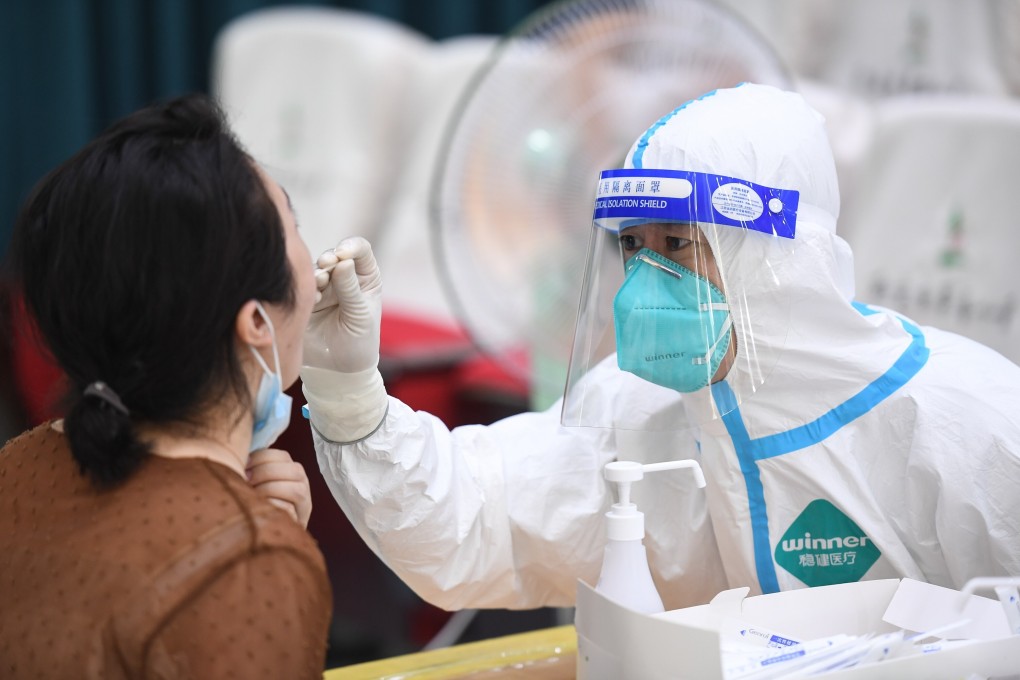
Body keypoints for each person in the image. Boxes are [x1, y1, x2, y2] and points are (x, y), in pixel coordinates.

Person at [301, 83, 1020, 612]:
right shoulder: (635, 410)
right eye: (633, 249)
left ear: (775, 253)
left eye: (677, 244)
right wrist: (351, 394)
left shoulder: (962, 420)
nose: (648, 280)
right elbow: (471, 521)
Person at [0, 94, 331, 677]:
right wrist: (258, 556)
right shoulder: (245, 561)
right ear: (255, 322)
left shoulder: (19, 464)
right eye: (294, 226)